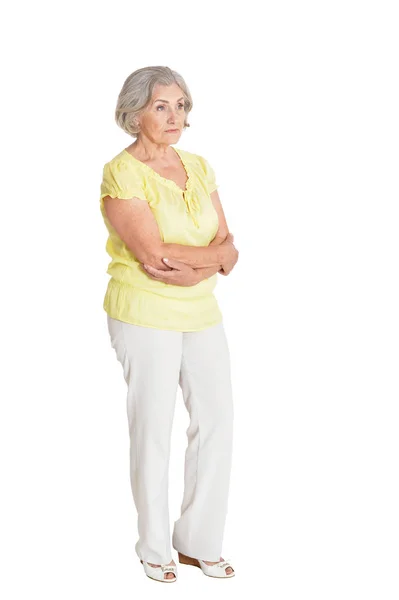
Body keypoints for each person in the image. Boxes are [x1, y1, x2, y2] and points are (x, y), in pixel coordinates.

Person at [99, 66, 239, 583]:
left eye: (181, 105)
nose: (175, 115)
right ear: (134, 113)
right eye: (161, 106)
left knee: (217, 422)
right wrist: (211, 259)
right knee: (154, 429)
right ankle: (154, 546)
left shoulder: (199, 166)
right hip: (143, 314)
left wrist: (204, 262)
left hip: (201, 311)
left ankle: (198, 540)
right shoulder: (122, 172)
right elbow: (151, 255)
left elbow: (230, 246)